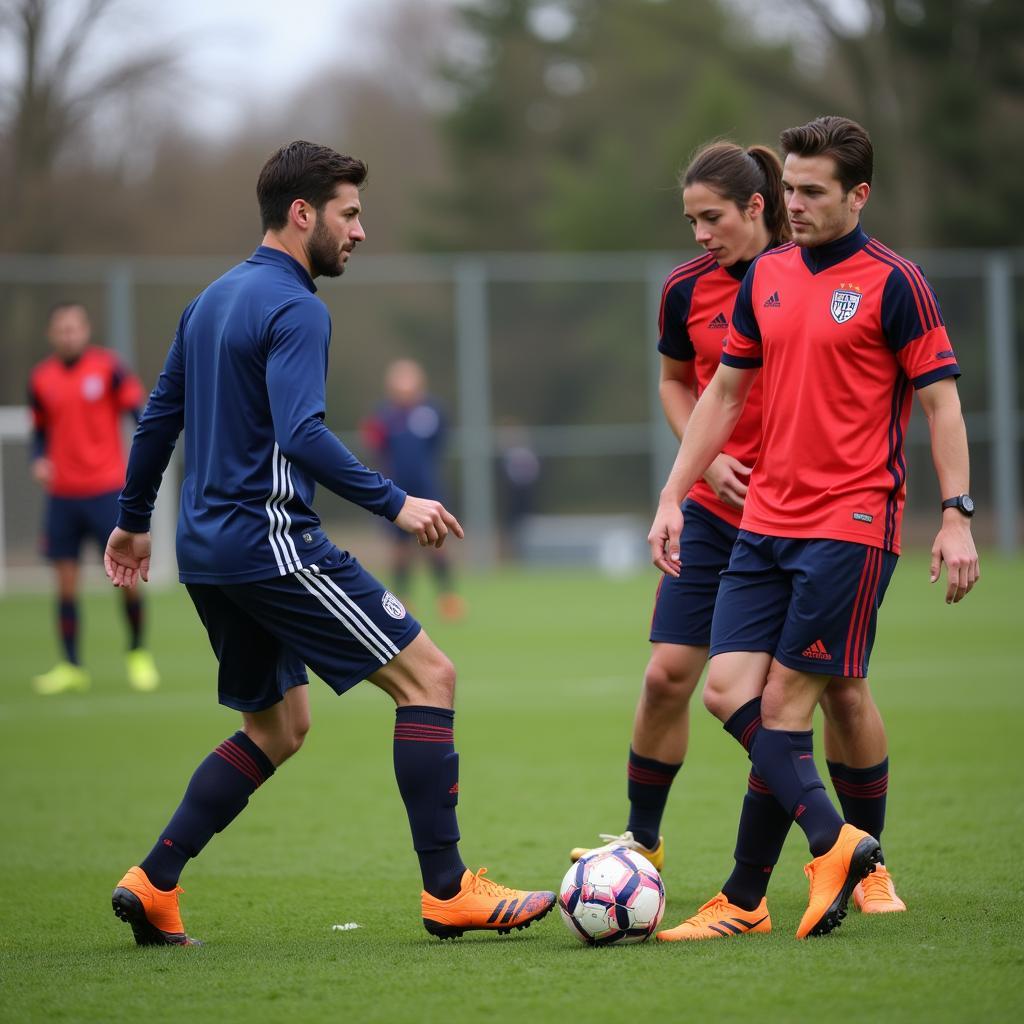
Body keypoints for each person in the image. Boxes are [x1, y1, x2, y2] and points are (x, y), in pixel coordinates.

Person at [103, 140, 555, 946]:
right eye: (350, 214)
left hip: (207, 553)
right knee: (430, 678)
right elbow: (302, 433)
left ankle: (154, 882)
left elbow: (157, 419)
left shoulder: (209, 300)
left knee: (277, 730)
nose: (361, 231)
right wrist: (396, 502)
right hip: (270, 543)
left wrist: (135, 520)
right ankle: (449, 891)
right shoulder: (298, 306)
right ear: (303, 213)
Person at [648, 116, 979, 941]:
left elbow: (942, 404)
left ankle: (744, 899)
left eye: (812, 192)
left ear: (858, 195)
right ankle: (837, 842)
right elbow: (721, 394)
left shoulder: (895, 282)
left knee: (795, 702)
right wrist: (672, 496)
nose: (792, 204)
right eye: (788, 189)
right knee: (729, 691)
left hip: (852, 521)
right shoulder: (768, 280)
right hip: (764, 522)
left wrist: (956, 514)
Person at [570, 141, 905, 922]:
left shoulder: (812, 269)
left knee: (841, 694)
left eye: (710, 217)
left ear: (758, 208)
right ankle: (643, 846)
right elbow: (678, 383)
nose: (697, 234)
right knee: (671, 679)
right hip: (724, 517)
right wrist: (700, 471)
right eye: (689, 219)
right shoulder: (685, 289)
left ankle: (865, 866)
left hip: (812, 517)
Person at [28, 302, 160, 695]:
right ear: (53, 334)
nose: (68, 335)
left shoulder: (108, 368)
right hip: (63, 497)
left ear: (85, 330)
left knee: (127, 580)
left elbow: (139, 415)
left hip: (107, 492)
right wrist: (39, 460)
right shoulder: (41, 379)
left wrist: (145, 462)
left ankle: (138, 654)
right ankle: (71, 665)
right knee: (65, 584)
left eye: (74, 327)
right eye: (61, 329)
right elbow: (38, 432)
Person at [361, 359, 465, 620]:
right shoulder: (383, 415)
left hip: (427, 488)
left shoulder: (433, 411)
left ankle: (448, 598)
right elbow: (375, 446)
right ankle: (403, 601)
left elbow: (439, 443)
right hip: (394, 490)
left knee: (436, 543)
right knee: (399, 548)